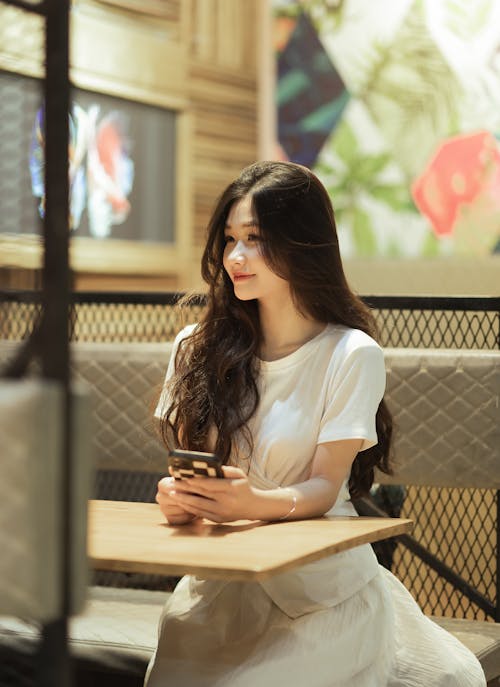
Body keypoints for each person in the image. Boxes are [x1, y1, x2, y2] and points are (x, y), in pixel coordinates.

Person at [145, 161, 486, 687]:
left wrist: (255, 504)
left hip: (321, 594)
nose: (235, 256)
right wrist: (181, 498)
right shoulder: (196, 347)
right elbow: (190, 472)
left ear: (302, 244)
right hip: (220, 587)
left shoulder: (351, 353)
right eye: (230, 239)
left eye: (255, 239)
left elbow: (326, 488)